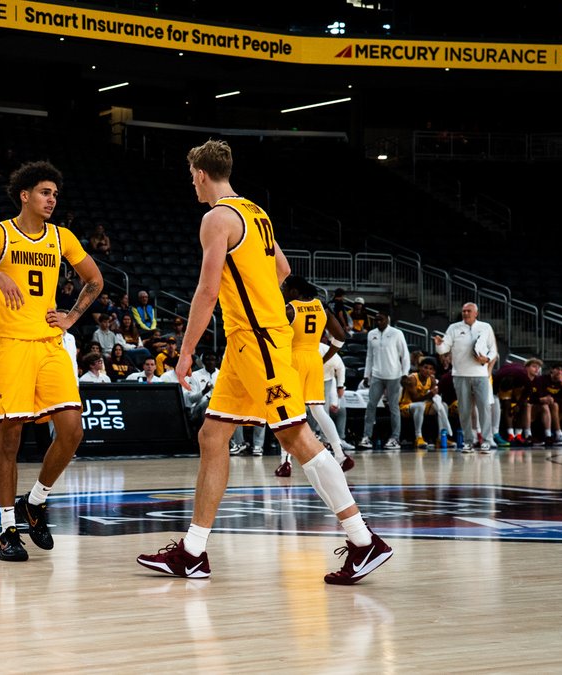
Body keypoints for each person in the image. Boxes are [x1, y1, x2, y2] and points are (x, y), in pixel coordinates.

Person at [136, 140, 391, 583]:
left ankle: (363, 540)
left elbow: (207, 290)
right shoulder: (256, 212)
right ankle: (193, 552)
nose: (191, 182)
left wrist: (186, 350)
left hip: (258, 342)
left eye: (190, 174)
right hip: (245, 342)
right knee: (213, 435)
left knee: (296, 437)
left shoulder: (216, 218)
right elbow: (284, 271)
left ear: (199, 173)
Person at [0, 160, 103, 562]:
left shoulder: (62, 238)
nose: (52, 199)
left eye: (55, 194)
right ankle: (7, 530)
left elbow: (95, 280)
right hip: (11, 346)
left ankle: (35, 501)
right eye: (45, 192)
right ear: (25, 195)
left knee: (72, 430)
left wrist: (72, 316)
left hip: (50, 343)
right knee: (10, 439)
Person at [275, 275, 352, 478]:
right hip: (314, 359)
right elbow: (341, 337)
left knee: (289, 413)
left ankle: (285, 462)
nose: (283, 292)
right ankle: (340, 454)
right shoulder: (321, 306)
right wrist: (325, 358)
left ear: (294, 291)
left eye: (285, 288)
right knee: (318, 410)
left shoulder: (289, 309)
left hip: (294, 360)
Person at [434, 302, 498, 451]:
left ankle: (487, 440)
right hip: (460, 375)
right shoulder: (453, 328)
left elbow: (493, 350)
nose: (465, 313)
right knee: (464, 410)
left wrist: (487, 359)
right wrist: (439, 345)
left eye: (469, 311)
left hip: (480, 375)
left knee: (484, 408)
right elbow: (444, 348)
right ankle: (469, 440)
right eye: (463, 311)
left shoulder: (485, 327)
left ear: (476, 313)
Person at [357, 312, 410, 451]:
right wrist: (366, 375)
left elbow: (405, 355)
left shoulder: (396, 333)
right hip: (377, 375)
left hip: (394, 375)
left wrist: (405, 374)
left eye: (381, 319)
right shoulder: (371, 334)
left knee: (393, 407)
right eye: (376, 319)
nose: (378, 321)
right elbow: (369, 356)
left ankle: (395, 438)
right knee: (371, 406)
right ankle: (366, 437)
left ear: (388, 319)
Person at [399, 357, 453, 449]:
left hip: (422, 405)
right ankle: (418, 437)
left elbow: (433, 396)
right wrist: (430, 395)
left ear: (433, 372)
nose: (427, 370)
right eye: (425, 367)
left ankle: (441, 437)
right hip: (406, 406)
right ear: (419, 368)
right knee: (420, 406)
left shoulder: (431, 379)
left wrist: (436, 397)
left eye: (431, 369)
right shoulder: (412, 378)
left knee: (443, 405)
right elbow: (415, 399)